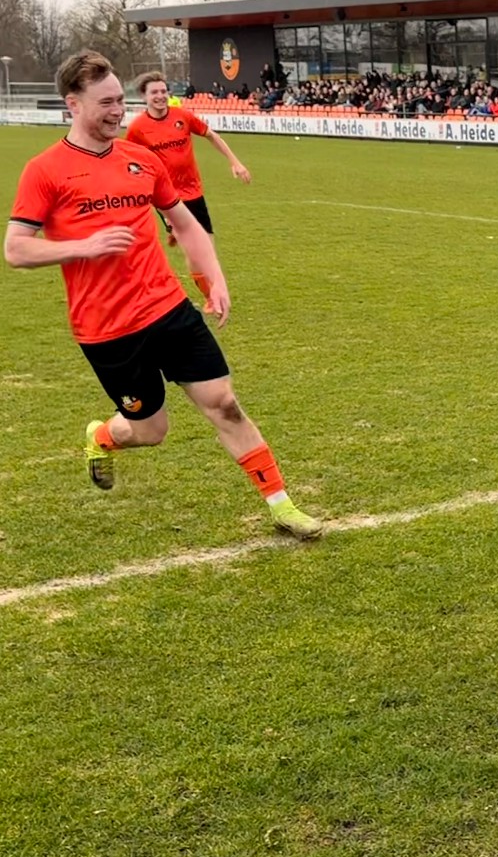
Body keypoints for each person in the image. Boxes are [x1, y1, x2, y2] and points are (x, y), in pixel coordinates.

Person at [4, 51, 322, 539]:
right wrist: (84, 246)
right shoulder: (45, 170)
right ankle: (103, 435)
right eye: (106, 103)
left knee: (225, 403)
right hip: (106, 328)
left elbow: (185, 225)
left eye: (120, 100)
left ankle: (281, 505)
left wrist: (213, 278)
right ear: (73, 104)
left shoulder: (140, 160)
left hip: (167, 307)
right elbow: (17, 250)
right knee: (152, 432)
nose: (118, 111)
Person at [125, 71, 252, 298]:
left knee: (208, 249)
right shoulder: (137, 129)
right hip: (167, 198)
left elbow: (211, 135)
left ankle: (178, 233)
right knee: (195, 253)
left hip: (194, 192)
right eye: (154, 92)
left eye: (163, 91)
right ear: (144, 96)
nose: (160, 96)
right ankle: (211, 298)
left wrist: (235, 162)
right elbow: (130, 163)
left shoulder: (182, 116)